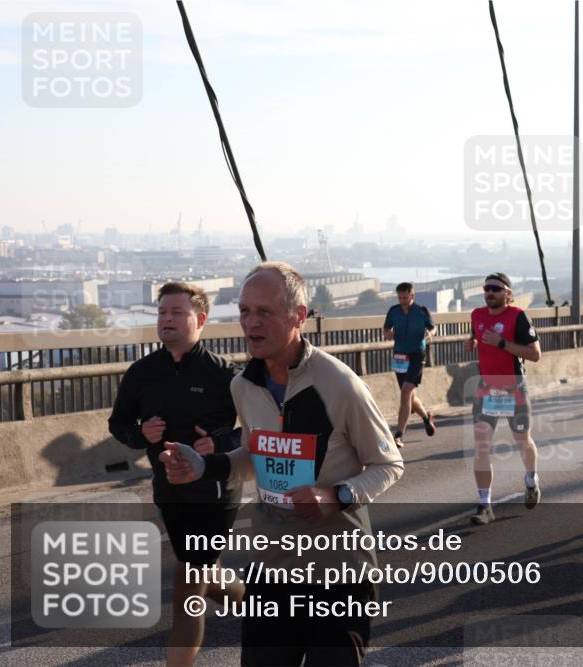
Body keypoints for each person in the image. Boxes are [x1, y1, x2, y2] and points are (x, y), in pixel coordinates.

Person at [161, 262, 404, 665]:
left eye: (265, 312)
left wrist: (337, 494)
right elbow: (258, 454)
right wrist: (202, 468)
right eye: (244, 311)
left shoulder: (340, 384)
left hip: (339, 575)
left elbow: (389, 464)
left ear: (299, 317)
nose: (250, 323)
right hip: (272, 569)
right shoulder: (243, 386)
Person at [108, 282, 242, 667]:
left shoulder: (226, 376)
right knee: (207, 577)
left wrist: (218, 442)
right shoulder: (142, 372)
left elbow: (251, 430)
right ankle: (267, 608)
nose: (166, 319)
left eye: (176, 312)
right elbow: (119, 424)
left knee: (189, 585)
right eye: (162, 312)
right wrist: (140, 434)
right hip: (169, 491)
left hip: (215, 493)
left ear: (200, 320)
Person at [466, 272, 542, 525]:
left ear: (508, 294)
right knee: (481, 446)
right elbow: (477, 333)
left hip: (514, 388)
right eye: (487, 288)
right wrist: (472, 341)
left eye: (496, 289)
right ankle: (484, 505)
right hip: (487, 389)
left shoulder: (518, 317)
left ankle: (531, 480)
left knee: (522, 440)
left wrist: (501, 343)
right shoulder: (476, 315)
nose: (490, 292)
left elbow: (534, 354)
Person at [383, 282, 436, 448]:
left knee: (406, 391)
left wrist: (429, 334)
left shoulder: (421, 311)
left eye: (405, 297)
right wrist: (388, 334)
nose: (402, 301)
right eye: (400, 298)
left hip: (416, 355)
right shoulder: (393, 311)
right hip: (399, 356)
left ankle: (399, 434)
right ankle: (427, 418)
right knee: (409, 396)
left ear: (412, 296)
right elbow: (385, 330)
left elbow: (433, 328)